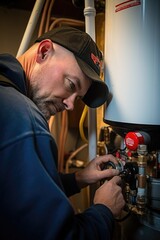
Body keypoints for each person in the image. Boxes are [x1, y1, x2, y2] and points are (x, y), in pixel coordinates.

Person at [0, 26, 125, 240]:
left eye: (78, 97)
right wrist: (103, 210)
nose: (69, 105)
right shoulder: (24, 120)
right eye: (70, 84)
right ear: (44, 52)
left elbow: (13, 194)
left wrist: (77, 179)